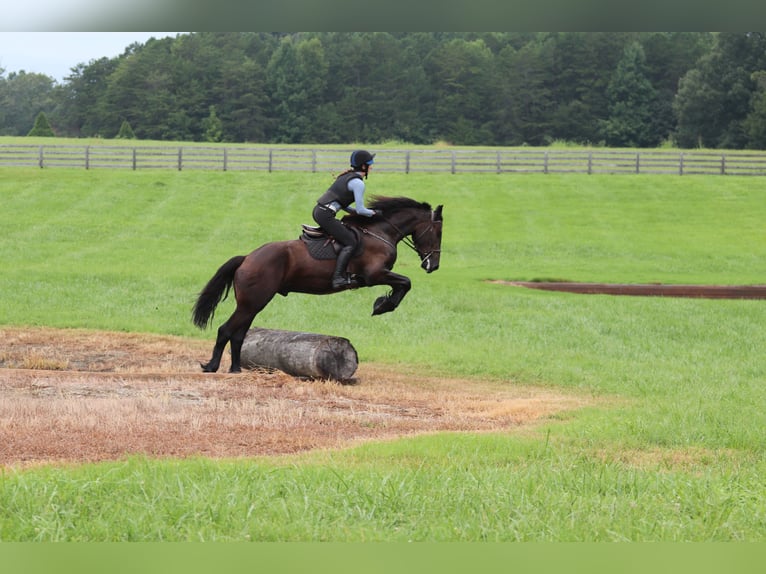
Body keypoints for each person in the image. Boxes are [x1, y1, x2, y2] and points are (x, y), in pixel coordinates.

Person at [313, 150, 377, 288]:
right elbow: (361, 210)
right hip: (325, 214)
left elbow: (343, 204)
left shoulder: (347, 177)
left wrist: (355, 212)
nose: (372, 167)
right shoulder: (358, 183)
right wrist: (374, 213)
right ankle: (337, 278)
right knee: (351, 242)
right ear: (364, 167)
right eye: (370, 164)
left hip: (321, 211)